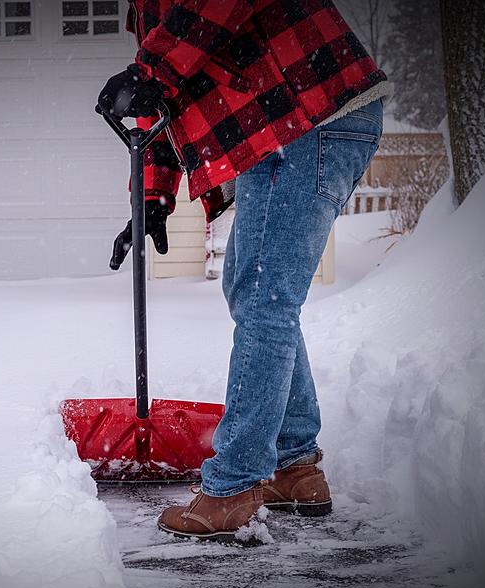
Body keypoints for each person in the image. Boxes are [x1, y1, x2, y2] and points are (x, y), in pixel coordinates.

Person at [97, 0, 392, 543]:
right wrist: (152, 197)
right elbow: (164, 98)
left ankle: (234, 487)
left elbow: (175, 56)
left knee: (265, 297)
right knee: (252, 291)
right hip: (281, 122)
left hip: (309, 108)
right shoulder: (151, 13)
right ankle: (292, 466)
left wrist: (150, 70)